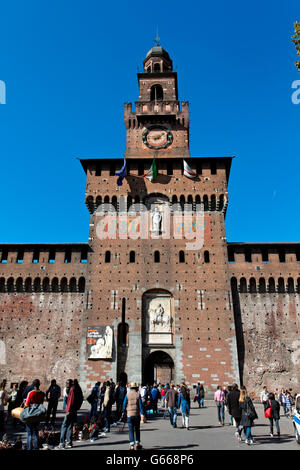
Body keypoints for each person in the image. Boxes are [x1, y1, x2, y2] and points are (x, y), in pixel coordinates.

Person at [56, 379, 83, 449]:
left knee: (64, 426)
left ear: (70, 383)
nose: (66, 384)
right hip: (74, 410)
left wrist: (68, 411)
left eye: (67, 383)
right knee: (70, 426)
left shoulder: (72, 390)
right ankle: (69, 442)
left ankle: (61, 443)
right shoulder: (76, 389)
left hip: (70, 410)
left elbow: (70, 401)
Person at [122, 381, 144, 450]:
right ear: (136, 388)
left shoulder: (127, 395)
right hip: (136, 414)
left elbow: (124, 404)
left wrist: (123, 411)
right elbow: (140, 405)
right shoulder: (138, 394)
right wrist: (142, 413)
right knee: (137, 429)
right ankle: (138, 444)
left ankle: (132, 446)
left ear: (131, 388)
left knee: (131, 430)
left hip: (129, 415)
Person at [24, 379, 45, 451]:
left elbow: (26, 404)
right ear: (39, 385)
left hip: (30, 414)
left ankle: (29, 448)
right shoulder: (42, 393)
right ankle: (36, 447)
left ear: (33, 385)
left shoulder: (30, 393)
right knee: (35, 433)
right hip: (37, 415)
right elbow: (41, 403)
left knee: (29, 433)